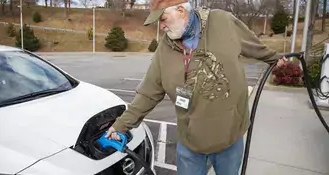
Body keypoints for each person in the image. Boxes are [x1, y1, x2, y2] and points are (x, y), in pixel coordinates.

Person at [106, 0, 287, 174]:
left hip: (229, 139)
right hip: (190, 143)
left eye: (162, 19)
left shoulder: (223, 22)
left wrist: (276, 60)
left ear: (181, 11)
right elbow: (148, 93)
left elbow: (254, 46)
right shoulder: (164, 49)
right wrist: (120, 125)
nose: (161, 27)